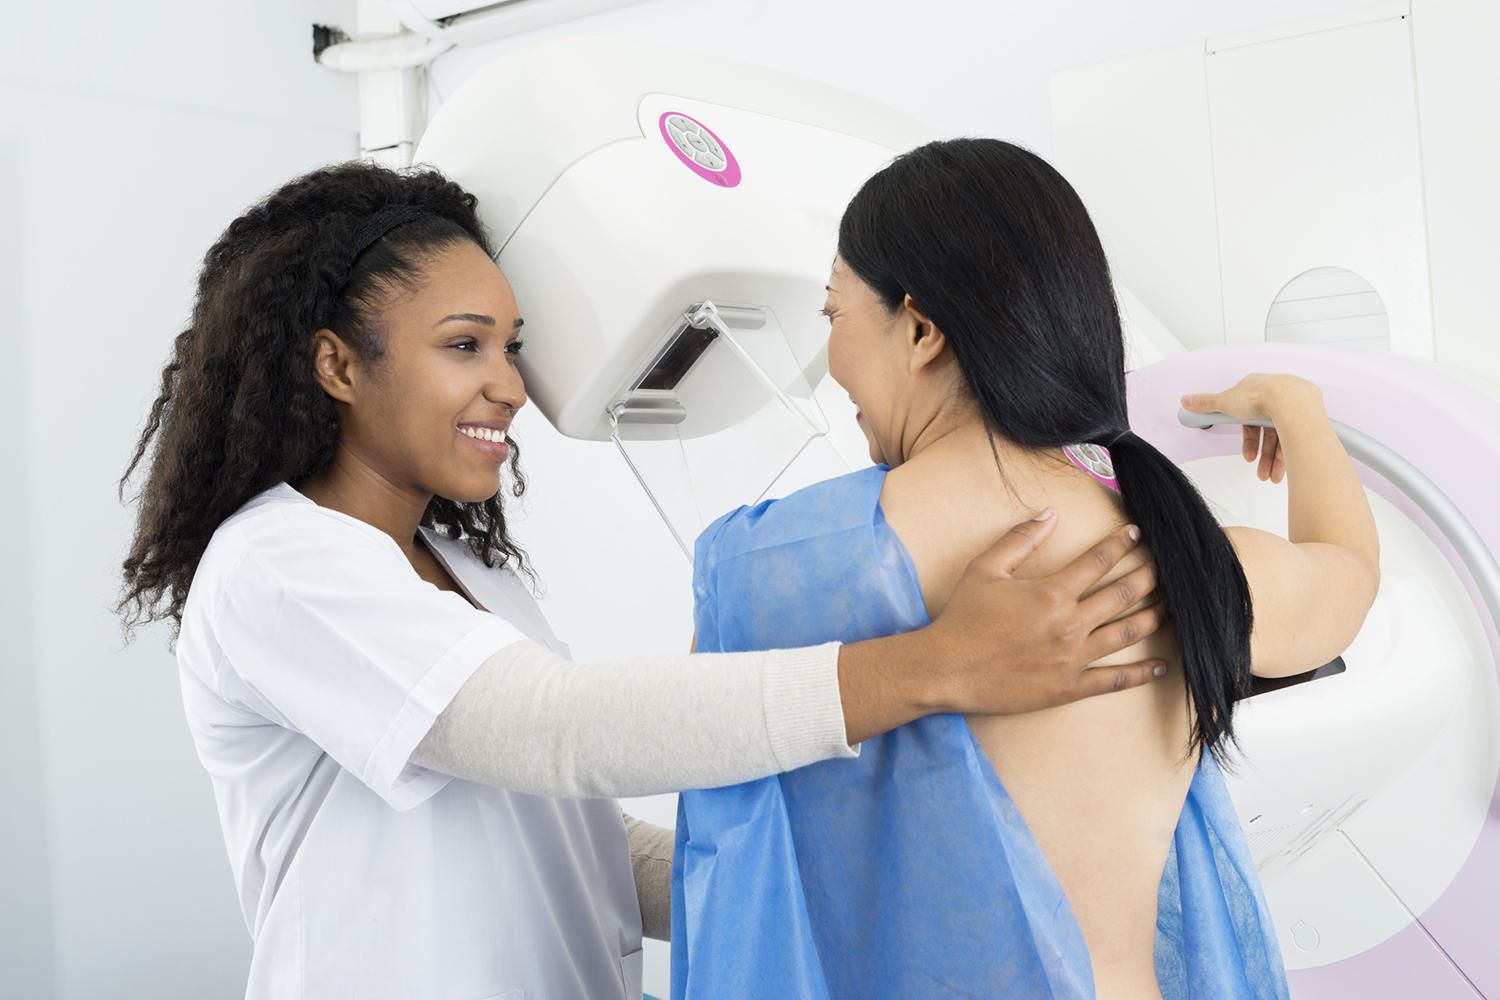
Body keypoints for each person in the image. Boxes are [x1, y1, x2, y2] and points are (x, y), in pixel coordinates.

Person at [116, 161, 1170, 1000]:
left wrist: (842, 879)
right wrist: (939, 666)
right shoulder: (277, 565)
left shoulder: (469, 568)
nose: (512, 385)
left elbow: (580, 842)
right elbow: (551, 731)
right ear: (338, 364)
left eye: (513, 346)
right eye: (464, 344)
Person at [672, 139, 1380, 1000]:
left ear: (921, 327)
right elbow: (1345, 576)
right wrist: (1299, 410)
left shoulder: (788, 564)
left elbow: (723, 808)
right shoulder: (1174, 546)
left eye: (833, 314)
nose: (832, 364)